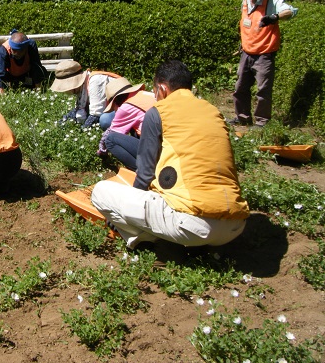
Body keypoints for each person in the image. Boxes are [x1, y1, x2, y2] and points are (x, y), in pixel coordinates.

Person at [91, 60, 249, 249]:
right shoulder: (213, 111)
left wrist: (123, 214)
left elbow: (145, 173)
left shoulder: (158, 112)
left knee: (100, 191)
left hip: (194, 225)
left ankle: (152, 243)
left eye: (155, 91)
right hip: (236, 224)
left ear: (162, 89)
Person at [230, 0, 297, 128]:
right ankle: (243, 117)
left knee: (263, 91)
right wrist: (243, 44)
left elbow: (291, 11)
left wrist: (275, 17)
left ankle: (262, 122)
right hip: (246, 52)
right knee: (240, 88)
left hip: (264, 54)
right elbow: (246, 23)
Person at [97, 77, 155, 171]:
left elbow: (110, 134)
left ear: (115, 102)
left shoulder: (126, 107)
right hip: (169, 144)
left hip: (156, 149)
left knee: (110, 140)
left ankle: (143, 171)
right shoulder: (148, 95)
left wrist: (101, 152)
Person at [50, 59, 119, 128]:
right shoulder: (83, 87)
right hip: (112, 108)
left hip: (124, 109)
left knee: (105, 120)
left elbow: (96, 115)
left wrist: (81, 131)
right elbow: (78, 110)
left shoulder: (95, 81)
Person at [0, 30, 47, 94]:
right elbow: (0, 73)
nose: (17, 53)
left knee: (42, 71)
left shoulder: (31, 45)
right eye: (14, 50)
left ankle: (29, 87)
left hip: (26, 74)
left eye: (20, 51)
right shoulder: (4, 50)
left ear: (25, 48)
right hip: (9, 75)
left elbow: (36, 67)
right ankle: (7, 89)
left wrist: (39, 92)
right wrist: (3, 98)